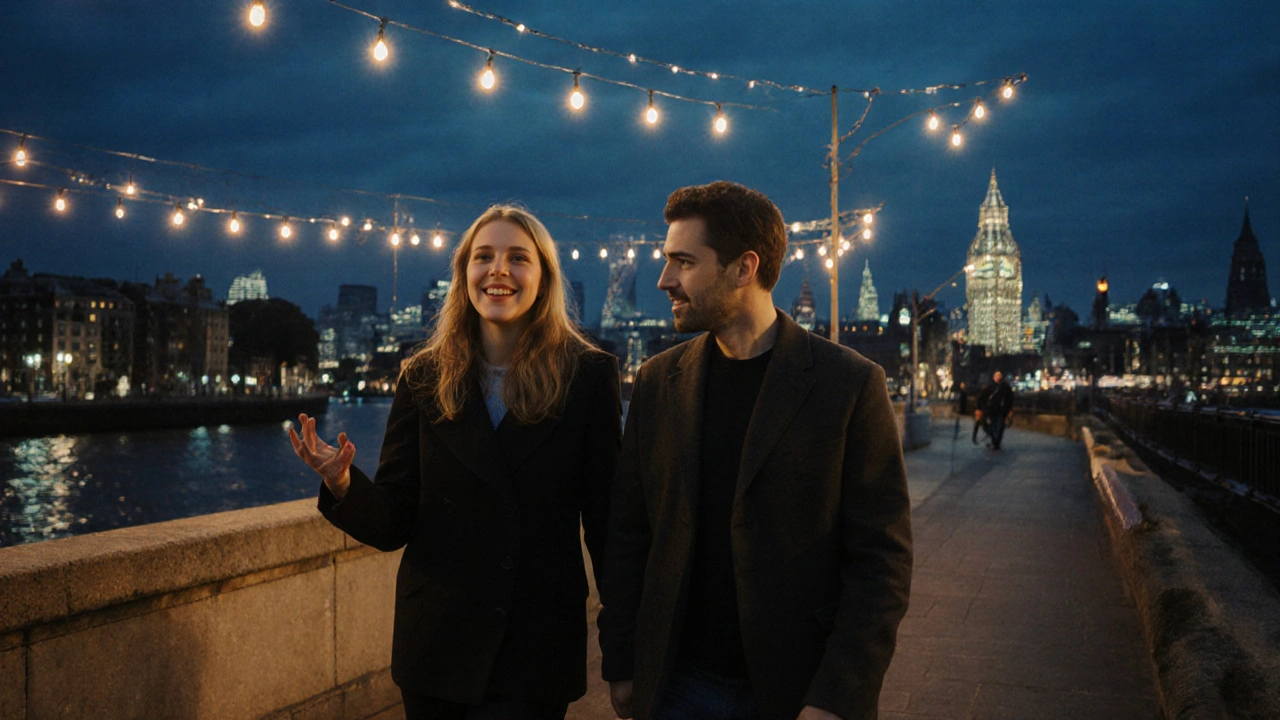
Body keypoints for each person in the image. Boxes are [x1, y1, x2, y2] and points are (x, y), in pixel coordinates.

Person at [288, 205, 621, 720]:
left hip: (534, 648)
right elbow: (395, 520)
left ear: (544, 279)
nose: (498, 270)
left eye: (518, 258)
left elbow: (608, 527)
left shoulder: (588, 377)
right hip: (437, 646)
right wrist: (344, 483)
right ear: (464, 274)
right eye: (483, 257)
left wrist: (624, 653)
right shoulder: (422, 377)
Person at [598, 181, 913, 720]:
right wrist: (622, 658)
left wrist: (838, 696)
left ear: (744, 268)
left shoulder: (850, 385)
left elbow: (882, 561)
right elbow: (629, 534)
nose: (664, 280)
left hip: (796, 691)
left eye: (683, 262)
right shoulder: (657, 382)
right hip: (675, 685)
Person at [974, 370, 1015, 450]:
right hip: (990, 411)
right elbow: (981, 397)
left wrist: (1010, 410)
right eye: (996, 376)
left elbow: (1010, 399)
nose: (998, 377)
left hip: (1001, 411)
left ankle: (996, 442)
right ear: (993, 377)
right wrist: (979, 409)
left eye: (999, 376)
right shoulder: (989, 387)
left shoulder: (1005, 387)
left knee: (999, 427)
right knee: (992, 427)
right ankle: (995, 441)